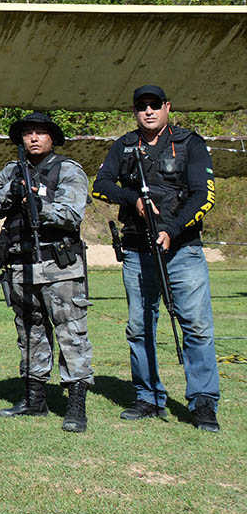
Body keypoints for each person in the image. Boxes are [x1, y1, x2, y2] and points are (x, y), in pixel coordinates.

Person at [91, 84, 220, 432]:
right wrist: (132, 198)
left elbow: (203, 195)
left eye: (154, 105)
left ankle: (203, 403)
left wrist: (172, 230)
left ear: (167, 107)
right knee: (139, 327)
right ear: (134, 111)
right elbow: (100, 184)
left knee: (195, 326)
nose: (148, 111)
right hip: (136, 250)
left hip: (183, 249)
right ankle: (148, 397)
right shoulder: (125, 145)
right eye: (141, 106)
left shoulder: (190, 143)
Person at [0, 112, 93, 432]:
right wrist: (13, 191)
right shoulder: (12, 170)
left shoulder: (68, 169)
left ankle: (76, 404)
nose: (33, 138)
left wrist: (37, 205)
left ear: (51, 138)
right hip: (22, 265)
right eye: (28, 133)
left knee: (71, 334)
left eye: (40, 133)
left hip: (59, 265)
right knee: (29, 334)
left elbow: (72, 213)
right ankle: (34, 399)